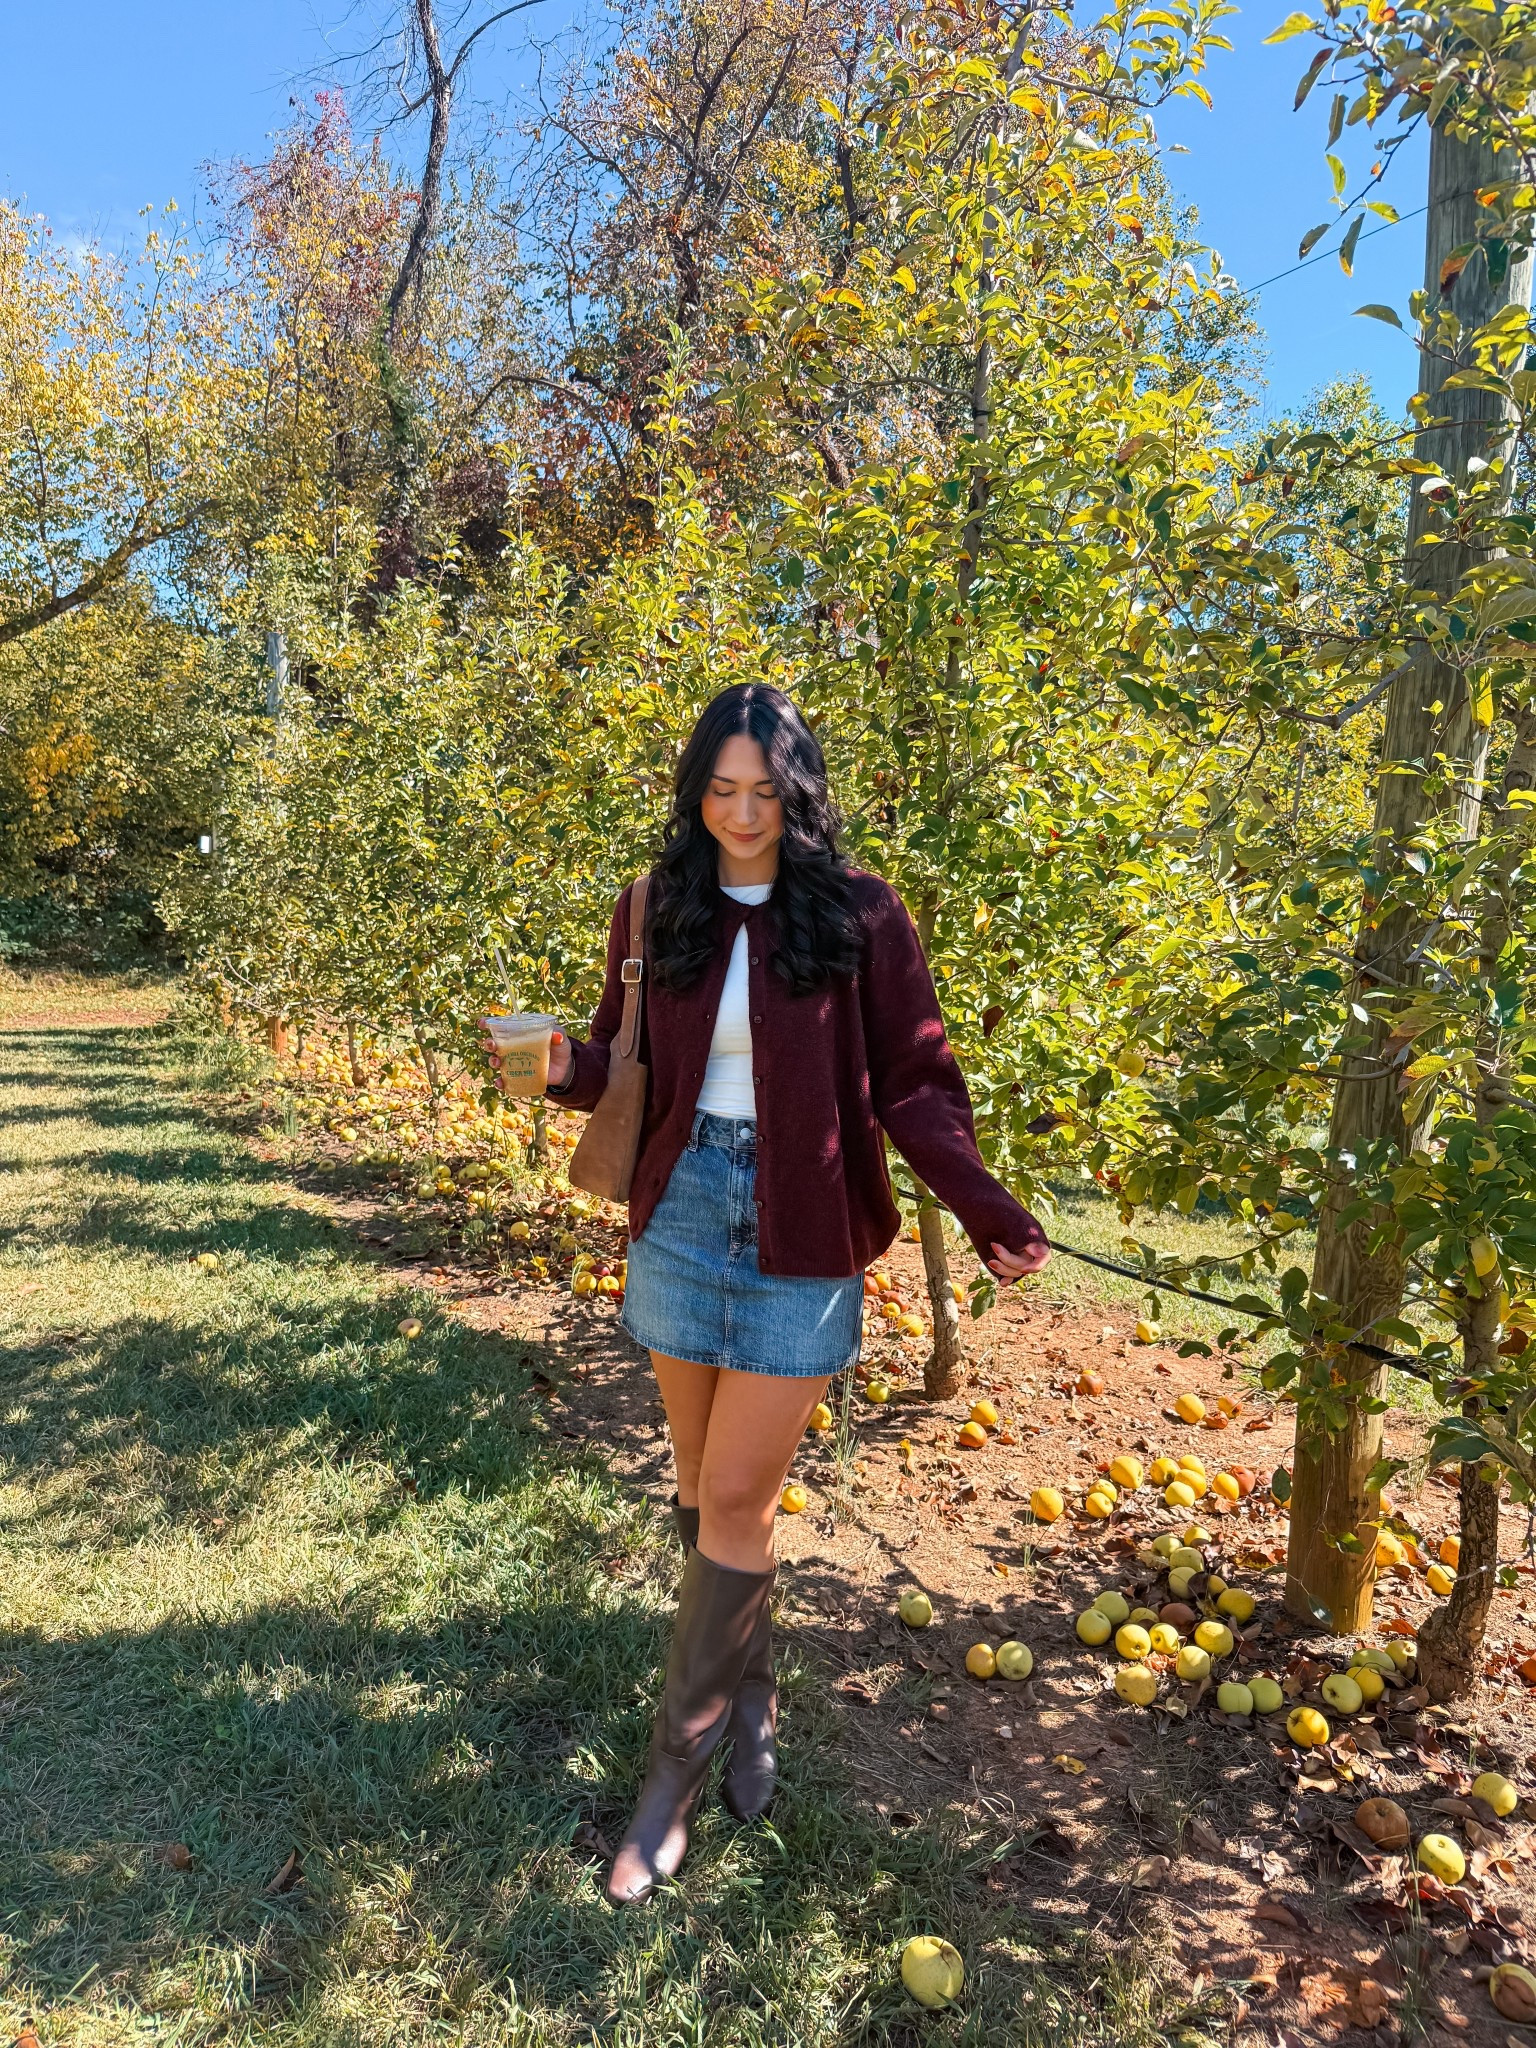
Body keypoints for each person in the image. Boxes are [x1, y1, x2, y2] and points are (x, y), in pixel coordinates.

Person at [513, 681, 1048, 1906]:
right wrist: (559, 1064)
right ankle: (751, 1698)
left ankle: (670, 1780)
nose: (741, 813)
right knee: (709, 1496)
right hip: (686, 1212)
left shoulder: (859, 914)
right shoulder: (658, 905)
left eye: (764, 791)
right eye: (720, 789)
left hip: (804, 1229)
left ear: (798, 791)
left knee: (741, 1493)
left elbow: (916, 1080)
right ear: (695, 789)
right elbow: (621, 1059)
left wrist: (983, 1203)